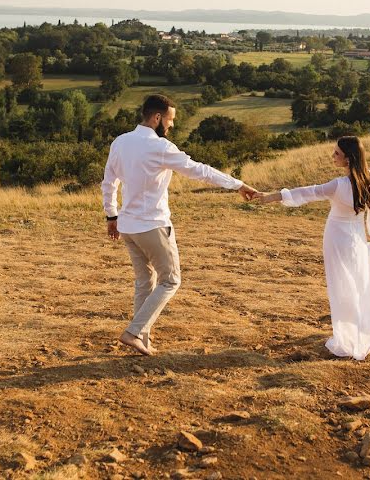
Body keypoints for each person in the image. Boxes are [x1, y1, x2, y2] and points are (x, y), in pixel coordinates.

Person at [101, 94, 259, 356]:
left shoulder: (120, 142)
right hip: (153, 226)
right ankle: (132, 332)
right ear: (157, 118)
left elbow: (109, 182)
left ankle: (143, 338)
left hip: (128, 226)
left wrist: (111, 216)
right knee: (171, 280)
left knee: (145, 282)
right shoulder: (160, 147)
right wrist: (238, 184)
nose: (171, 126)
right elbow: (200, 170)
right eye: (171, 120)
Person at [254, 136, 370, 360]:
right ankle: (356, 328)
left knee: (341, 285)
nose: (332, 157)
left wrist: (269, 198)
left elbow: (306, 192)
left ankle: (348, 337)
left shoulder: (338, 185)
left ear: (349, 159)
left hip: (336, 239)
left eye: (336, 154)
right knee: (358, 281)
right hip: (357, 237)